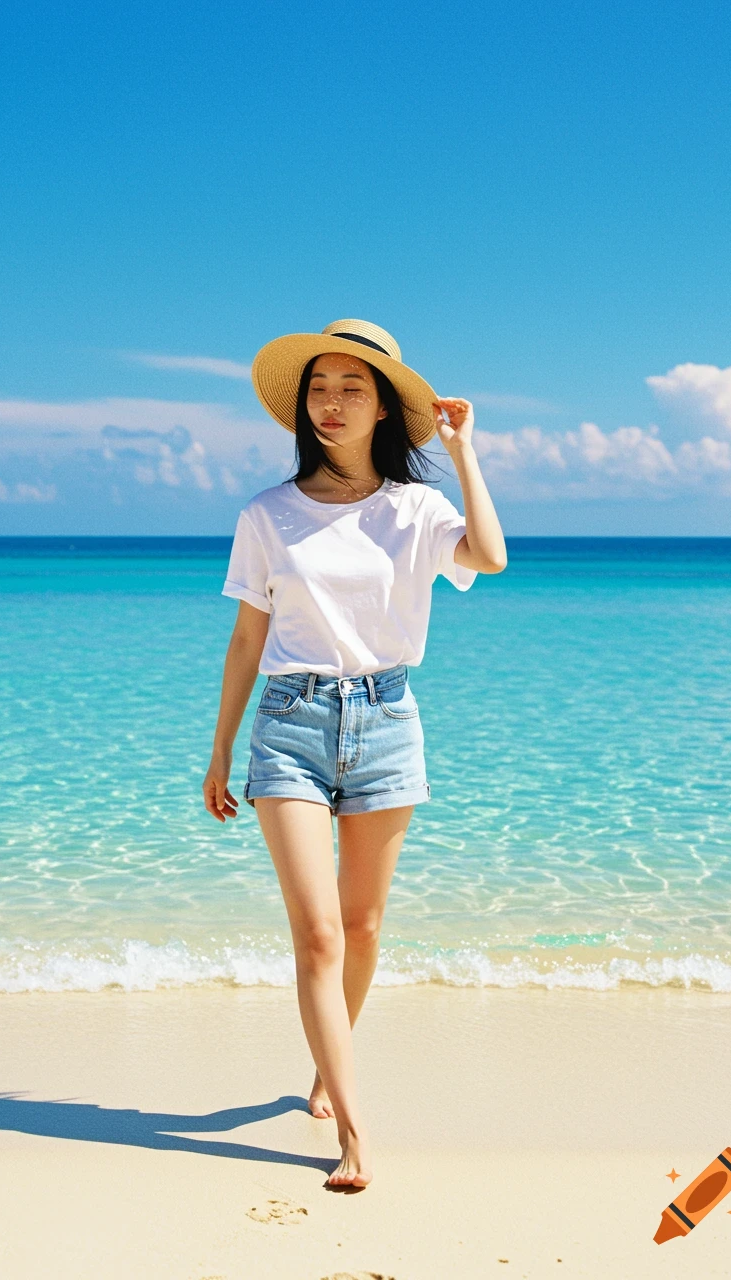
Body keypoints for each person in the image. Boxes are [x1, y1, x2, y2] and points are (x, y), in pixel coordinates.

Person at [203, 319, 507, 1188]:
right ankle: (354, 1133)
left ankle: (322, 1071)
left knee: (365, 929)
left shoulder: (416, 509)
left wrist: (463, 451)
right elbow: (244, 640)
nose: (331, 403)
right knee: (319, 935)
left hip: (386, 720)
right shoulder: (266, 513)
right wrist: (219, 751)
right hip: (289, 723)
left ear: (383, 408)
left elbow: (489, 556)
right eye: (319, 388)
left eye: (352, 388)